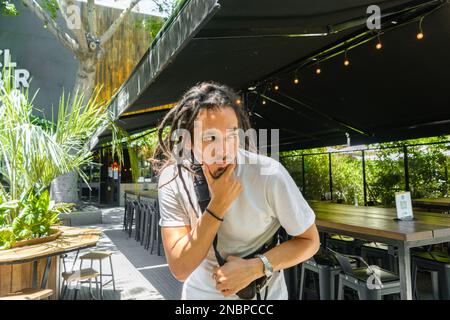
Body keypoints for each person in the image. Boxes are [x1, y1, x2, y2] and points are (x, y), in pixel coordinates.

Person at [153, 81, 320, 299]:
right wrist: (218, 205)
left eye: (231, 135)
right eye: (209, 138)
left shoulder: (268, 174)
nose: (223, 150)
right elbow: (181, 268)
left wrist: (256, 267)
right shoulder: (173, 179)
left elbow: (309, 241)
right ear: (189, 142)